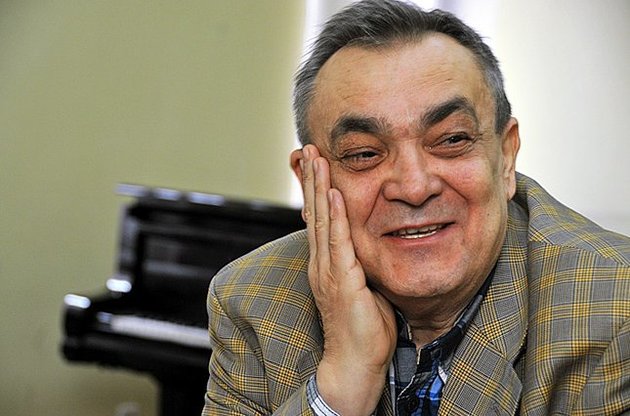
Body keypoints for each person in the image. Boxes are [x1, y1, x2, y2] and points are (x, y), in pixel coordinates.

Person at [202, 1, 630, 415]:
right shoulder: (253, 300)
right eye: (364, 153)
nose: (414, 187)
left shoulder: (617, 311)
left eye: (452, 140)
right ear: (310, 180)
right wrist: (339, 389)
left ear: (505, 157)